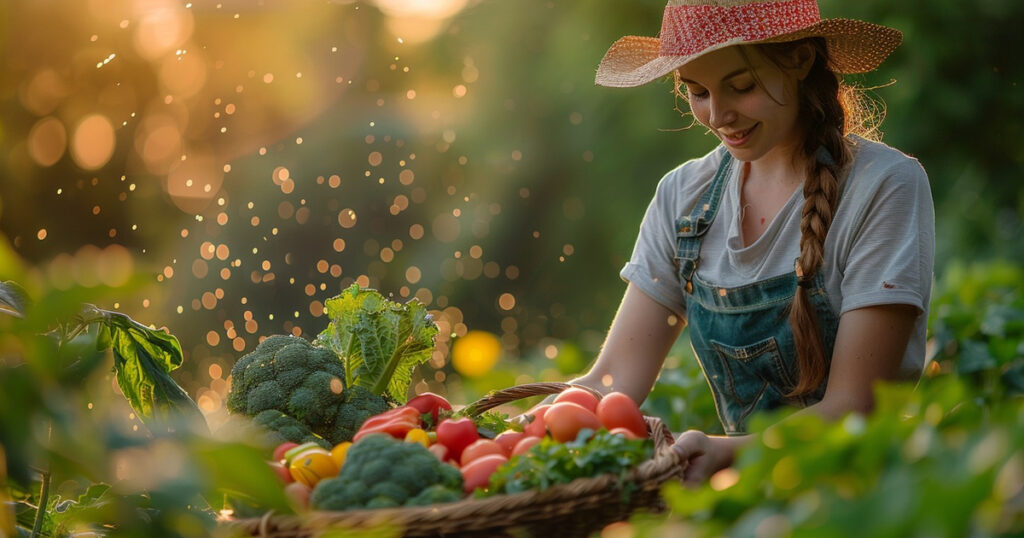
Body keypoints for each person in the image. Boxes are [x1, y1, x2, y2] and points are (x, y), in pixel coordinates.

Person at [559, 0, 935, 485]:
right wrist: (521, 426)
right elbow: (611, 381)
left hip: (865, 495)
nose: (718, 115)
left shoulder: (883, 185)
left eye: (742, 86)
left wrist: (727, 452)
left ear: (800, 59)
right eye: (697, 91)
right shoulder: (683, 196)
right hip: (747, 501)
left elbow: (855, 406)